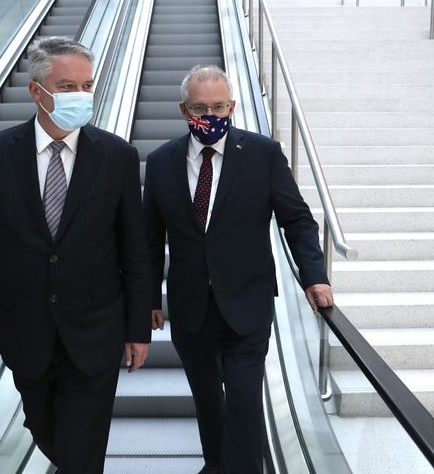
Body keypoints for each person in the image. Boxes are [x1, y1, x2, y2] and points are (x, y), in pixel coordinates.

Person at [0, 36, 152, 474]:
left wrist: (138, 328)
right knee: (49, 437)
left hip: (95, 333)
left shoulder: (117, 156)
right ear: (35, 91)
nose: (80, 96)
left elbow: (134, 250)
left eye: (87, 85)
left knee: (81, 458)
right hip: (27, 333)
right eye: (66, 87)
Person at [143, 65, 333, 474]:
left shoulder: (263, 154)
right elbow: (148, 238)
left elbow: (297, 220)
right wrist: (147, 301)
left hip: (247, 301)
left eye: (218, 106)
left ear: (232, 106)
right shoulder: (160, 163)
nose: (210, 116)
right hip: (190, 306)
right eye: (200, 107)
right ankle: (216, 466)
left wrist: (313, 275)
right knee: (208, 402)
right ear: (183, 109)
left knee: (245, 399)